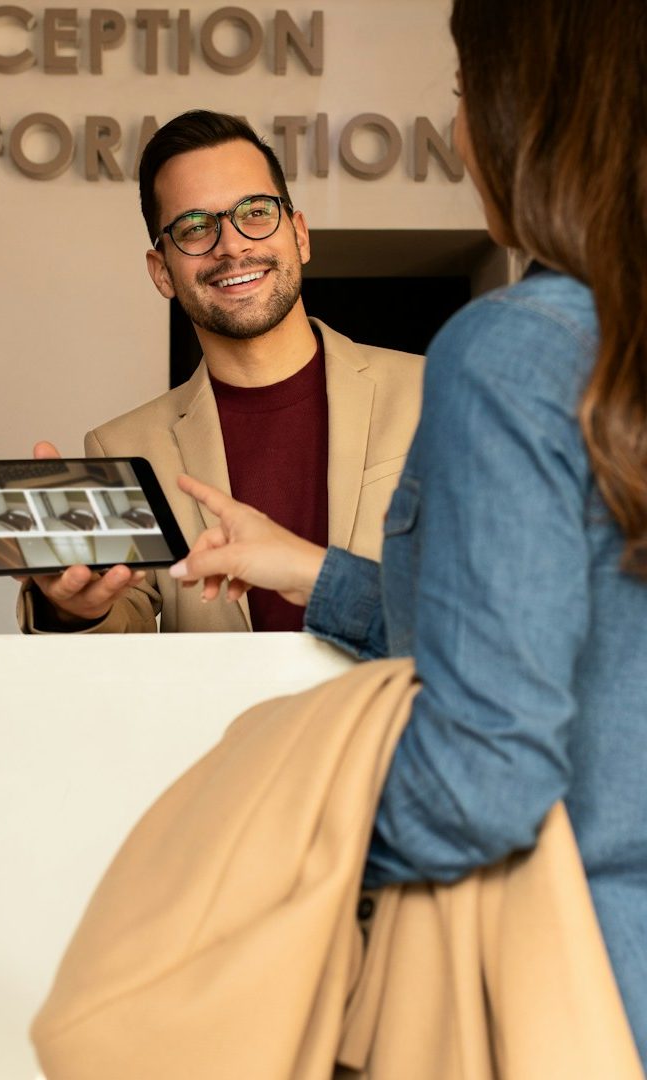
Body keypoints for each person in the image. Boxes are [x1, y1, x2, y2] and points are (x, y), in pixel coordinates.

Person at [167, 0, 647, 1063]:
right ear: (160, 263)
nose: (462, 133)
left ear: (531, 115)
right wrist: (310, 569)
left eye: (467, 97)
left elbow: (486, 772)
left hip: (567, 985)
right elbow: (565, 628)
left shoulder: (504, 355)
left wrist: (263, 850)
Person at [18, 110, 423, 635]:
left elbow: (498, 602)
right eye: (194, 227)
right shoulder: (125, 446)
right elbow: (124, 627)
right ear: (162, 271)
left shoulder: (434, 393)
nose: (231, 245)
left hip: (392, 715)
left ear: (299, 235)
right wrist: (75, 608)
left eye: (255, 212)